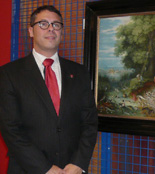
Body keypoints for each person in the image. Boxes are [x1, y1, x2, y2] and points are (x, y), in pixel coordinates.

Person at [0, 5, 98, 174]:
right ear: (31, 31)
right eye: (43, 24)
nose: (51, 29)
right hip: (27, 169)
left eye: (56, 25)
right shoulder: (9, 74)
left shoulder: (79, 72)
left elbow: (89, 123)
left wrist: (79, 163)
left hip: (71, 170)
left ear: (62, 32)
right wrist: (45, 168)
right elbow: (11, 130)